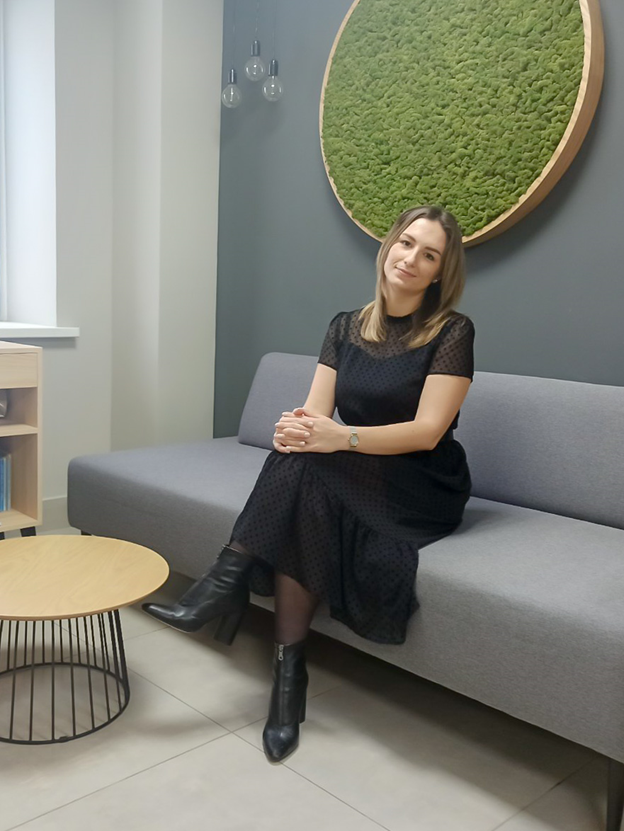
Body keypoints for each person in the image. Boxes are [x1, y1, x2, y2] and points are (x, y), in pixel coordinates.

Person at [143, 204, 475, 764]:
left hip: (421, 480)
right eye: (406, 243)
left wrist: (338, 437)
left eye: (429, 254)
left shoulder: (451, 331)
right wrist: (295, 430)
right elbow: (315, 413)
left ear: (441, 271)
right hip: (357, 467)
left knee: (307, 468)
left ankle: (223, 586)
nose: (411, 259)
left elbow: (427, 432)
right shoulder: (345, 326)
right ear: (389, 246)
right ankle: (286, 678)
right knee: (300, 465)